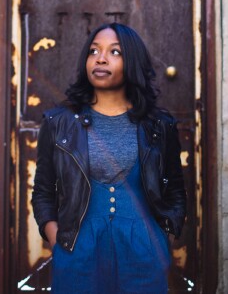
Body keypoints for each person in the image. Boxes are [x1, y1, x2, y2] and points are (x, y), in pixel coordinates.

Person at [31, 23, 187, 293]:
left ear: (133, 62)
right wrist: (56, 239)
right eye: (94, 51)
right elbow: (43, 191)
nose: (100, 58)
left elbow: (174, 189)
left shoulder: (159, 126)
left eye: (114, 52)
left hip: (144, 257)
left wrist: (164, 238)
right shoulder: (59, 123)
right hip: (77, 254)